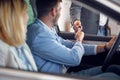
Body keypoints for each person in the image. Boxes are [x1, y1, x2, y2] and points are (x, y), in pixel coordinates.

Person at [27, 0, 115, 76]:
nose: (60, 13)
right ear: (53, 11)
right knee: (112, 76)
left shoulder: (45, 29)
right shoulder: (40, 35)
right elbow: (74, 58)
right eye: (60, 9)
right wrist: (79, 40)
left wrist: (105, 47)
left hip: (66, 73)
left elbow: (68, 44)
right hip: (60, 77)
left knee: (113, 69)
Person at [0, 0, 37, 71]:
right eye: (24, 14)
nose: (27, 18)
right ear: (12, 19)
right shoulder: (2, 50)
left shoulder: (22, 44)